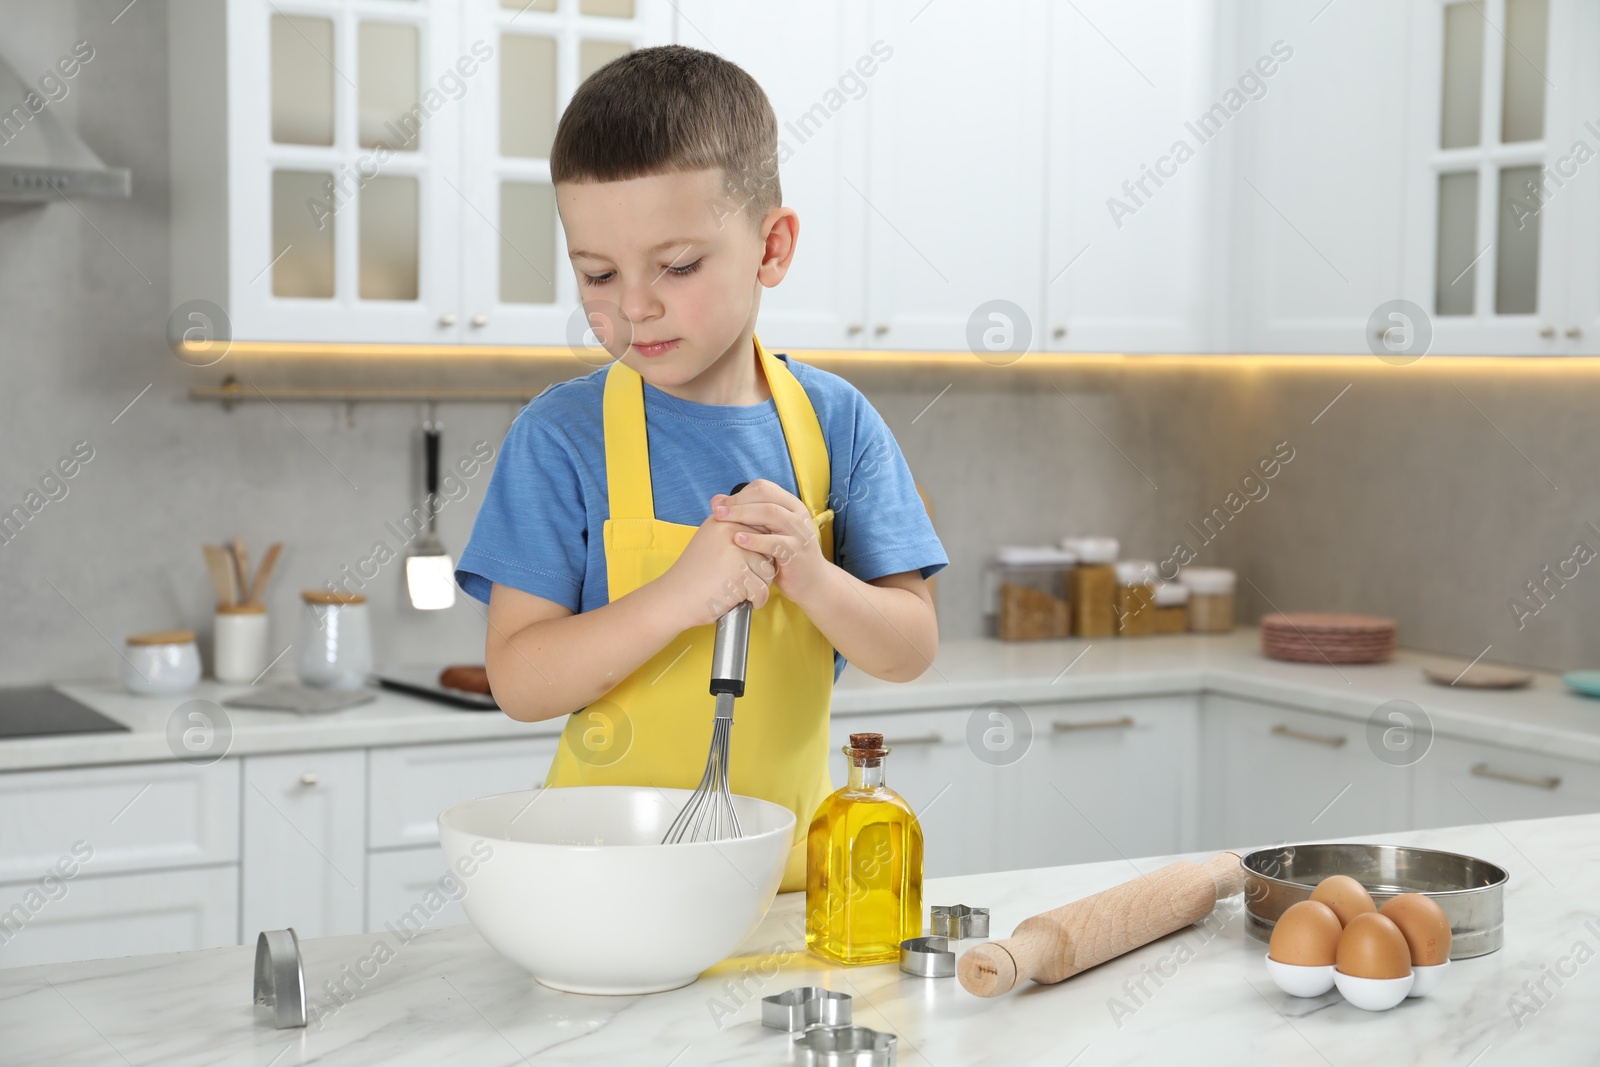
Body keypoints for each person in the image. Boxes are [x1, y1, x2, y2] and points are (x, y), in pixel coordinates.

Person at [455, 45, 947, 892]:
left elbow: (910, 646)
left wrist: (812, 575)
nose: (634, 305)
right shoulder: (562, 438)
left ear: (771, 247)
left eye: (677, 267)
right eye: (598, 274)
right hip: (605, 885)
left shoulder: (835, 426)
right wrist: (682, 595)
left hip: (789, 884)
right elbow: (521, 681)